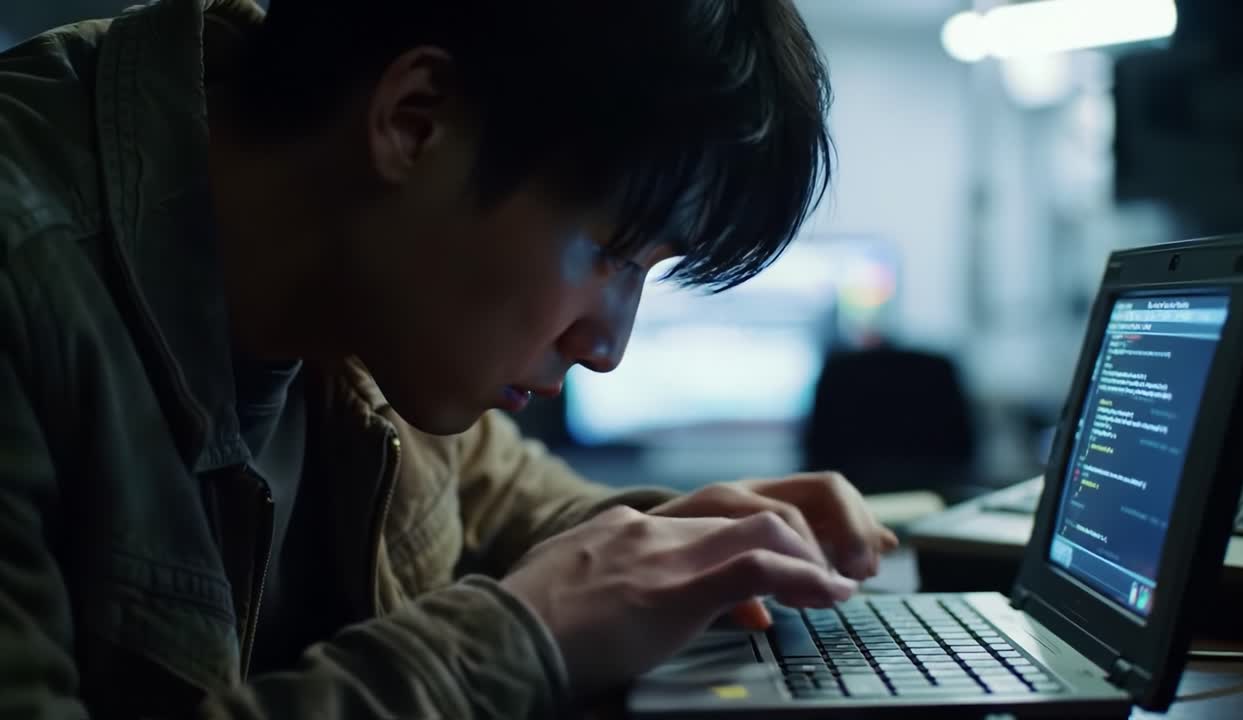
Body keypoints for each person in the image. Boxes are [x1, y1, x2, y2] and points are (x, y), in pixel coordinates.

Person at [0, 0, 898, 717]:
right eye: (615, 256)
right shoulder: (23, 273)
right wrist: (525, 636)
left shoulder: (373, 296)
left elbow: (503, 495)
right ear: (415, 121)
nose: (606, 350)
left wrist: (679, 544)